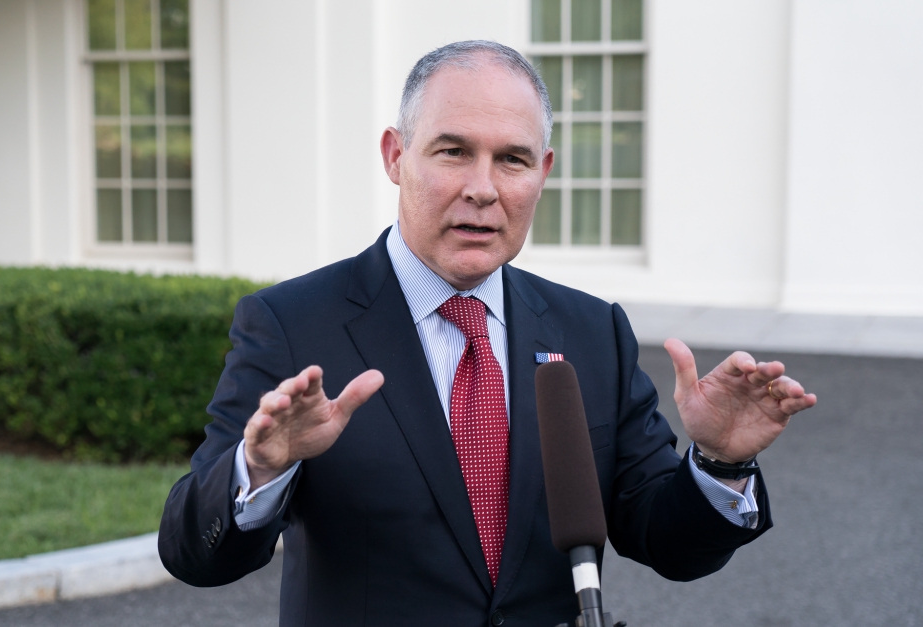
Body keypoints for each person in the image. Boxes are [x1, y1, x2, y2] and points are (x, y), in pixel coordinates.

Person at [159, 41, 816, 626]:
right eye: (453, 151)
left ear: (544, 171)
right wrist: (262, 466)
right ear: (395, 155)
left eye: (512, 159)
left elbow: (666, 542)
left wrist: (721, 462)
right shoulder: (293, 323)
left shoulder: (592, 330)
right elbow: (195, 553)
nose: (482, 188)